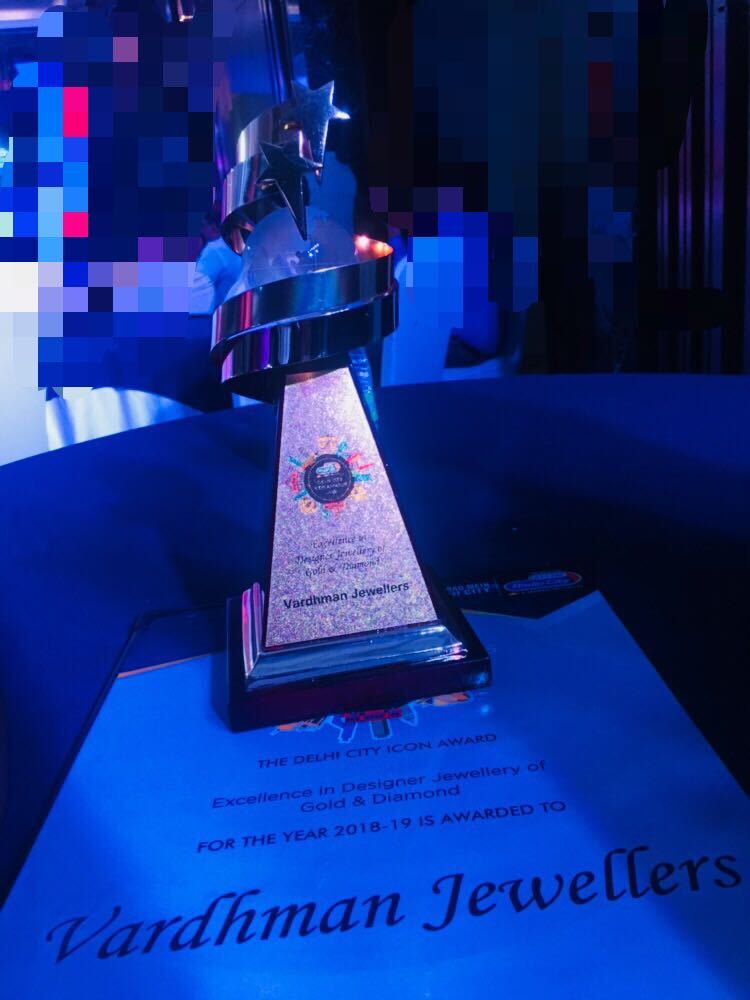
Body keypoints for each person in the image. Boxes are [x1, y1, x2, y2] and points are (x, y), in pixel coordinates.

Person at [189, 206, 242, 315]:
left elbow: (197, 292)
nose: (201, 231)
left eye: (203, 226)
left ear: (213, 227)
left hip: (218, 317)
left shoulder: (214, 250)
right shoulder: (234, 246)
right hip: (236, 311)